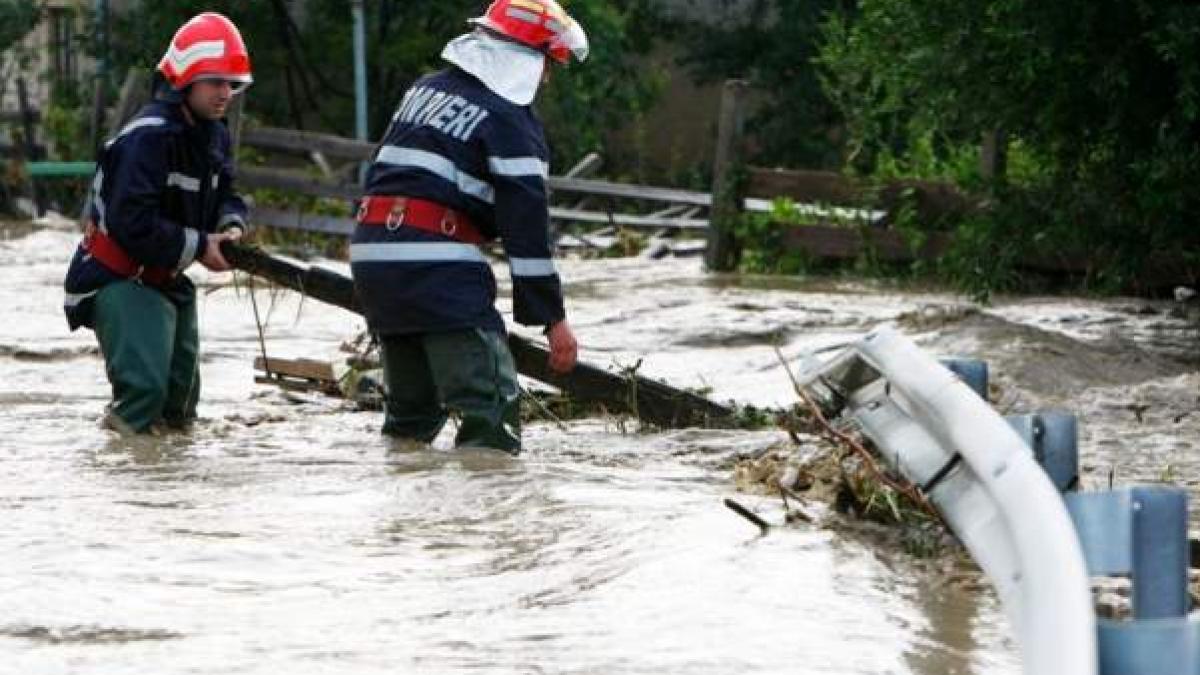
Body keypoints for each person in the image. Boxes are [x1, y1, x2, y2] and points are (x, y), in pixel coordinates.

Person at [351, 0, 588, 453]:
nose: (547, 78)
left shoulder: (425, 89)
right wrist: (554, 321)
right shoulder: (510, 121)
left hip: (373, 258)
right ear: (528, 59)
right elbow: (527, 233)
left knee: (411, 420)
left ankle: (406, 518)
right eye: (547, 65)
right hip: (434, 264)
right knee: (491, 409)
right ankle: (486, 516)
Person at [63, 12, 251, 434]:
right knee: (144, 393)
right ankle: (121, 485)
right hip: (117, 278)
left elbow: (227, 196)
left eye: (232, 84)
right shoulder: (147, 138)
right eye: (215, 82)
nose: (226, 93)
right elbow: (133, 224)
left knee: (181, 402)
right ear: (185, 81)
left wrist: (231, 226)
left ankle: (168, 492)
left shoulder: (214, 135)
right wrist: (203, 245)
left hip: (165, 277)